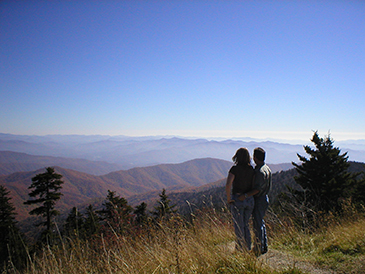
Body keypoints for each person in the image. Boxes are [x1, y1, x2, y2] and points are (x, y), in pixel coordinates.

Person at [225, 148, 255, 251]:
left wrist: (229, 199)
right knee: (246, 224)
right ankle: (248, 247)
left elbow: (228, 184)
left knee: (239, 226)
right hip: (249, 199)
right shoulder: (251, 169)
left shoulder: (234, 169)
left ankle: (240, 248)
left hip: (238, 199)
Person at [251, 147, 272, 256]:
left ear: (255, 157)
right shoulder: (266, 168)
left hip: (259, 199)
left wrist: (245, 195)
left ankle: (258, 247)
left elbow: (257, 189)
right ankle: (264, 246)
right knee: (261, 222)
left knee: (257, 224)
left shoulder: (259, 172)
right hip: (265, 198)